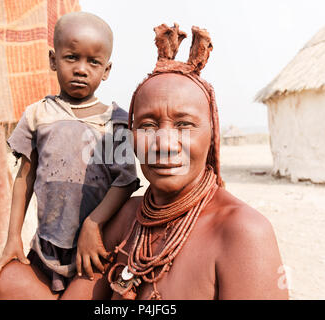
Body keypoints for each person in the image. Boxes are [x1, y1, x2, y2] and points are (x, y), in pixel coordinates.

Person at [59, 24, 289, 300]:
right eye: (147, 125)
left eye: (184, 124)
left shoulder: (243, 232)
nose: (164, 144)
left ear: (212, 135)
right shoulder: (127, 217)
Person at [0, 12, 139, 300]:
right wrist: (12, 238)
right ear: (54, 60)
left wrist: (94, 224)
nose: (81, 69)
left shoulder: (115, 122)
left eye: (93, 62)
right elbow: (24, 178)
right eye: (71, 57)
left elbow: (126, 181)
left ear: (106, 69)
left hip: (94, 250)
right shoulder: (37, 115)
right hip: (46, 249)